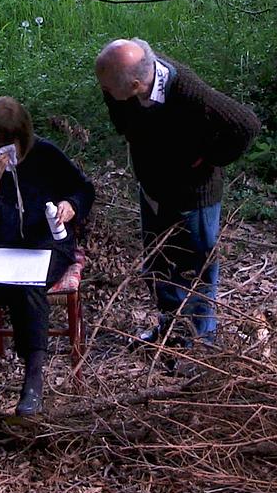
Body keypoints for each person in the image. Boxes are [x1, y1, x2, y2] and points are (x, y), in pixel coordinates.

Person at [95, 38, 260, 348]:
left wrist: (208, 157)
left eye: (109, 89)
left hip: (191, 196)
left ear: (134, 85)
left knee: (194, 268)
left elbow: (246, 124)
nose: (104, 92)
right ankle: (171, 329)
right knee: (158, 262)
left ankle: (198, 343)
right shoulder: (126, 86)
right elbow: (118, 109)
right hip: (154, 190)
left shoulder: (187, 93)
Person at [0, 96, 95, 424]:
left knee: (27, 286)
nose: (7, 149)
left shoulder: (45, 155)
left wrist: (71, 204)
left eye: (13, 141)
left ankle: (32, 380)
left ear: (24, 137)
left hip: (46, 246)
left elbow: (83, 188)